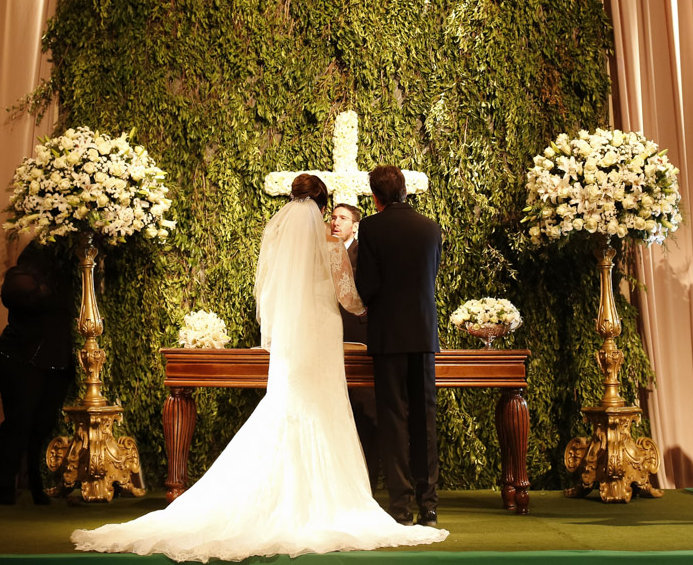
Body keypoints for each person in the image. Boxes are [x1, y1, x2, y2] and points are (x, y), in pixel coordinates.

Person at [70, 174, 447, 559]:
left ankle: (289, 496)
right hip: (334, 331)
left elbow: (273, 293)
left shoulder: (280, 238)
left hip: (292, 337)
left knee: (290, 404)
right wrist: (368, 308)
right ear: (322, 207)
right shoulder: (336, 243)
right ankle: (395, 501)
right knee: (342, 407)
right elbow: (350, 297)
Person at [354, 165, 443, 527]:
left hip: (388, 336)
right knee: (425, 419)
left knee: (393, 420)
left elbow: (367, 285)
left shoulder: (371, 227)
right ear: (405, 190)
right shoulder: (430, 227)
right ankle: (429, 505)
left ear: (376, 197)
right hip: (422, 333)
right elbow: (431, 275)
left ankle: (401, 507)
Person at [0, 240, 77, 507]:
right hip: (19, 357)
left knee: (42, 424)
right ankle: (4, 486)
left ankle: (35, 484)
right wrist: (44, 288)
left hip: (53, 360)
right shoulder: (39, 254)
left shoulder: (74, 259)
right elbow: (12, 291)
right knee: (18, 423)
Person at [331, 202, 379, 488]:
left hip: (359, 336)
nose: (336, 222)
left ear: (355, 225)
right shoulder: (323, 251)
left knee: (364, 409)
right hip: (328, 335)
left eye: (343, 218)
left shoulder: (364, 253)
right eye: (333, 217)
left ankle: (367, 480)